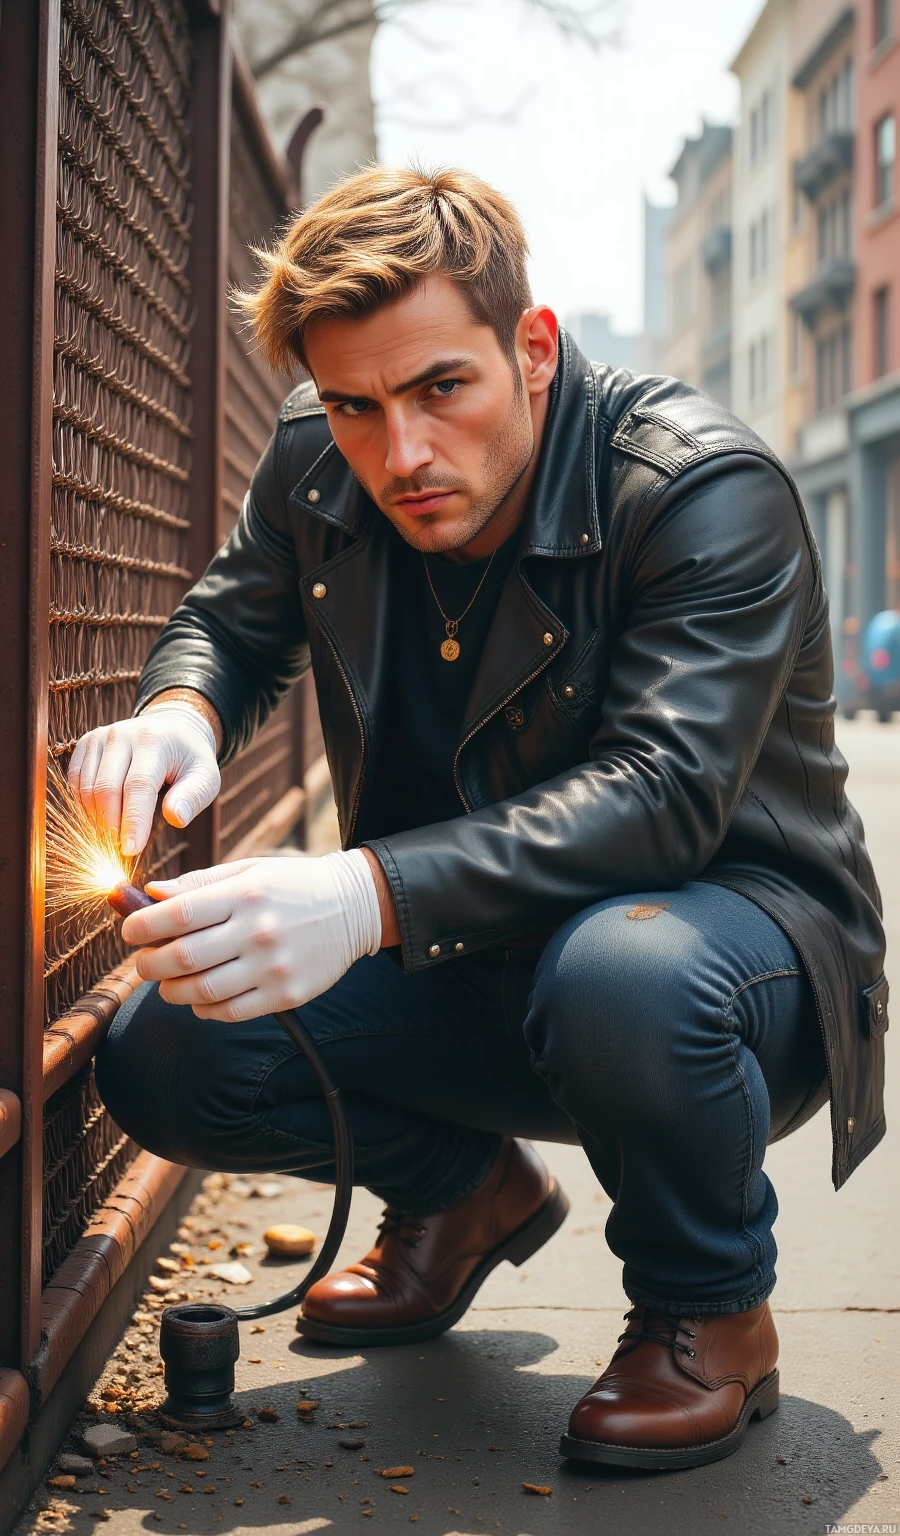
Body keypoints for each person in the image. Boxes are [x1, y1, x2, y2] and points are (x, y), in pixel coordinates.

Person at [71, 166, 887, 1472]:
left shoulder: (698, 490)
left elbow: (664, 796)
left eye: (441, 387)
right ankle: (463, 1195)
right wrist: (181, 714)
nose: (399, 453)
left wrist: (356, 897)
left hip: (731, 968)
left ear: (535, 345)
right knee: (170, 1045)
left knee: (621, 968)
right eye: (353, 404)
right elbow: (230, 619)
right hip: (471, 954)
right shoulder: (316, 461)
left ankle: (708, 1311)